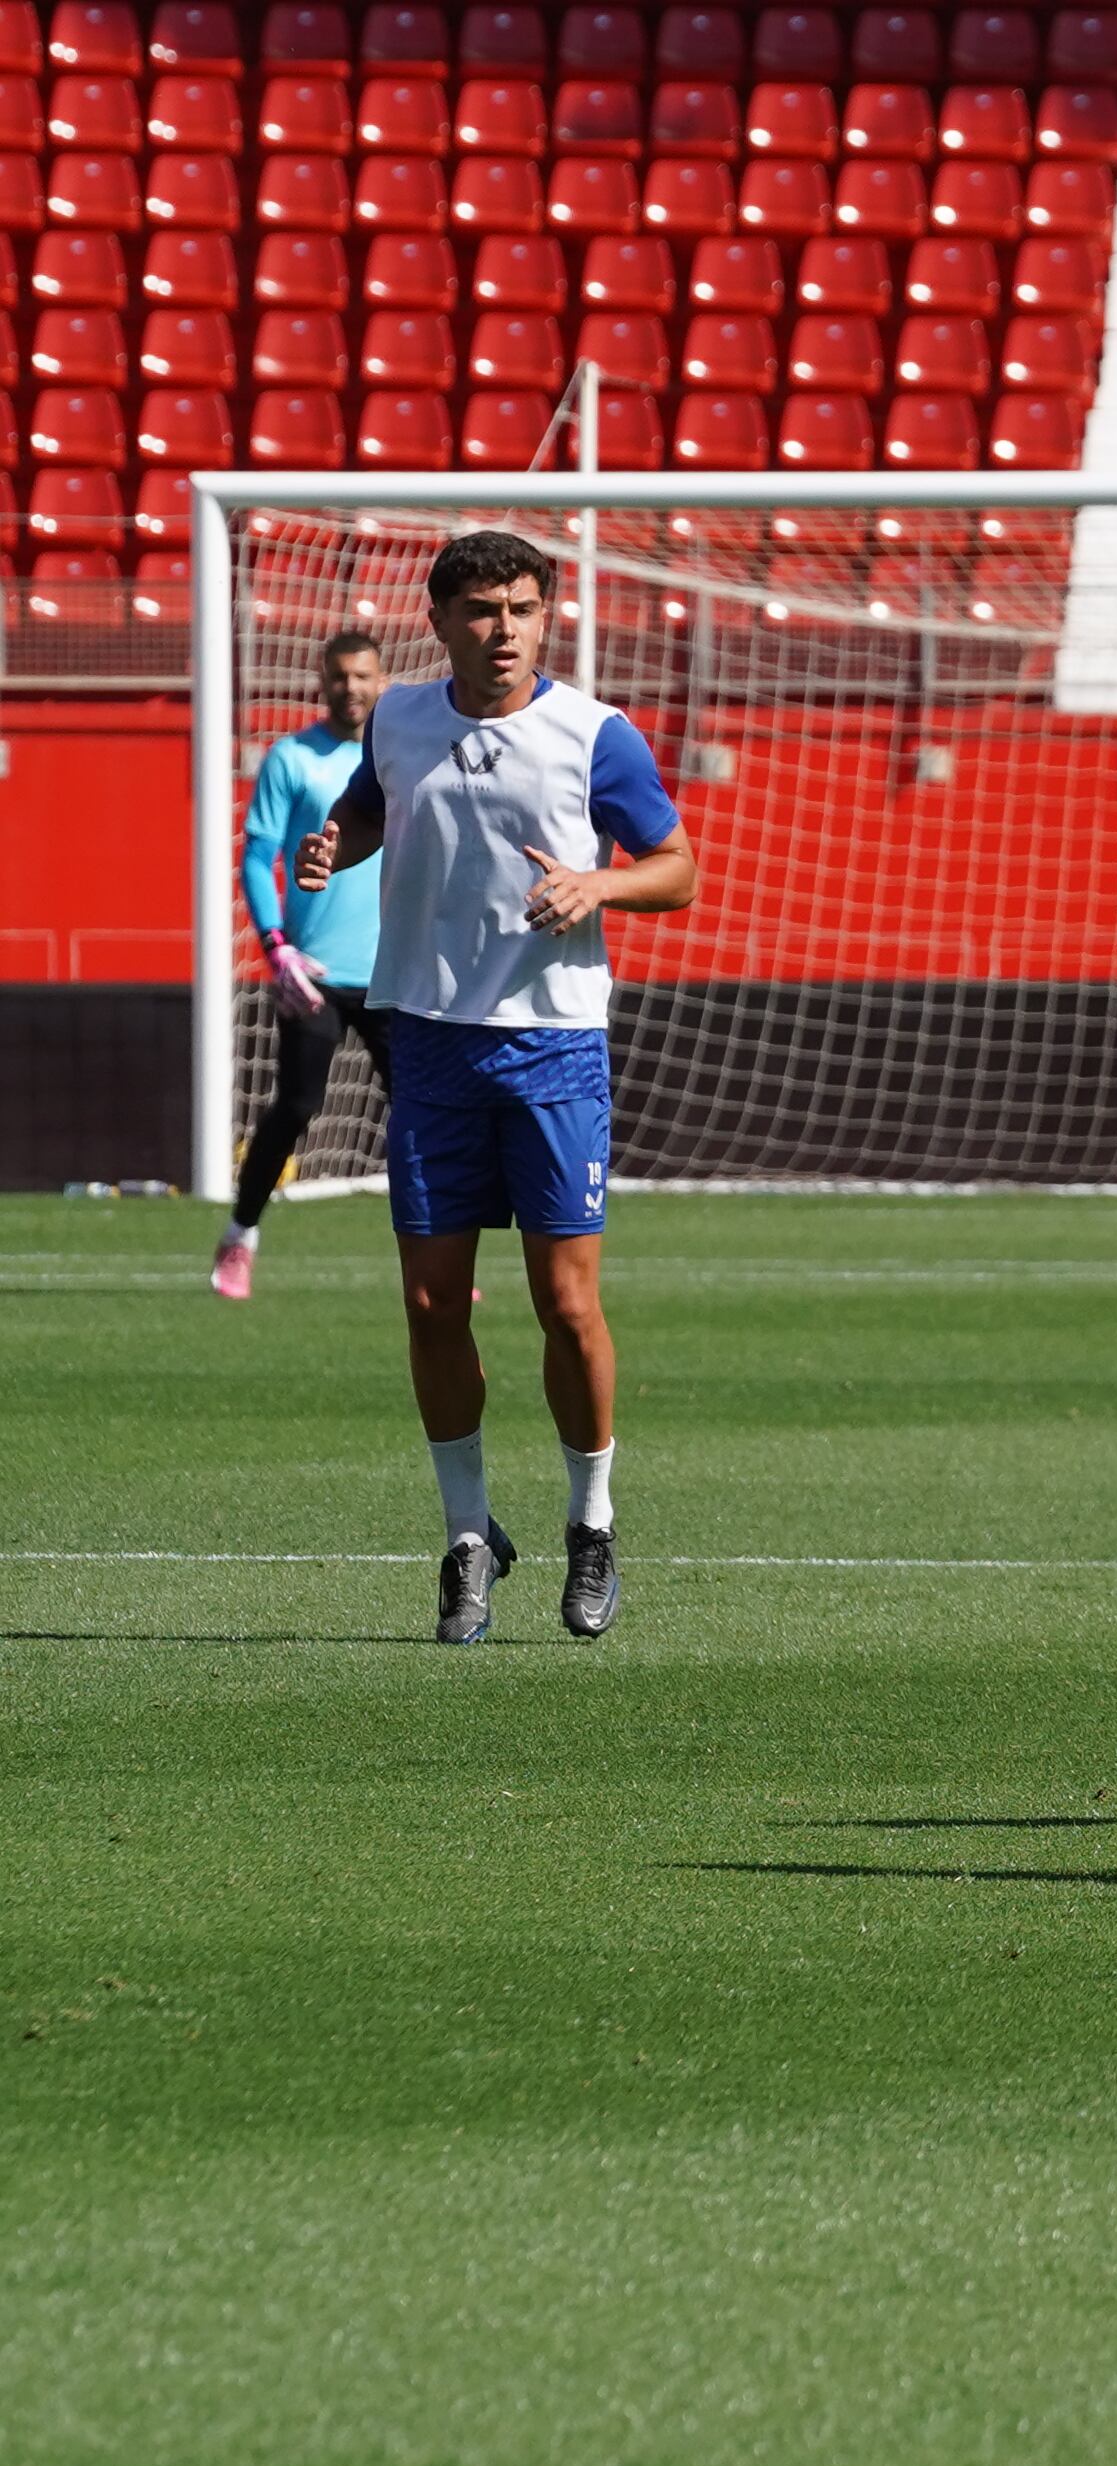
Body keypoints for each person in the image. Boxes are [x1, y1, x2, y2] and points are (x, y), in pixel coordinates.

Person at [296, 530, 699, 1644]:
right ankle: (469, 1534)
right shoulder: (402, 717)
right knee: (431, 1302)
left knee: (566, 1307)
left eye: (523, 607)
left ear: (547, 616)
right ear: (439, 623)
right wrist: (340, 840)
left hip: (552, 1047)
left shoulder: (592, 736)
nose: (505, 629)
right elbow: (377, 802)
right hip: (428, 1041)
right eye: (481, 610)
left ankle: (593, 1522)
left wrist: (598, 883)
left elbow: (679, 866)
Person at [213, 633, 394, 1299]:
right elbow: (259, 857)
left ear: (383, 680)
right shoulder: (293, 759)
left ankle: (438, 1257)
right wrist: (276, 946)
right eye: (341, 676)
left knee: (424, 1116)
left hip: (394, 972)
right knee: (294, 1106)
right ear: (324, 680)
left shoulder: (402, 756)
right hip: (312, 971)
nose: (352, 687)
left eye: (363, 675)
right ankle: (240, 1236)